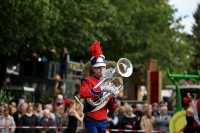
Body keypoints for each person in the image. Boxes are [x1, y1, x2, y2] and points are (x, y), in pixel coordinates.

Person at [79, 40, 119, 133]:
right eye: (98, 67)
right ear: (93, 69)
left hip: (103, 119)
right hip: (91, 118)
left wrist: (113, 97)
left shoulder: (107, 81)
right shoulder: (87, 80)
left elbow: (112, 108)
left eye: (103, 67)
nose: (101, 70)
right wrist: (101, 89)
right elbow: (82, 93)